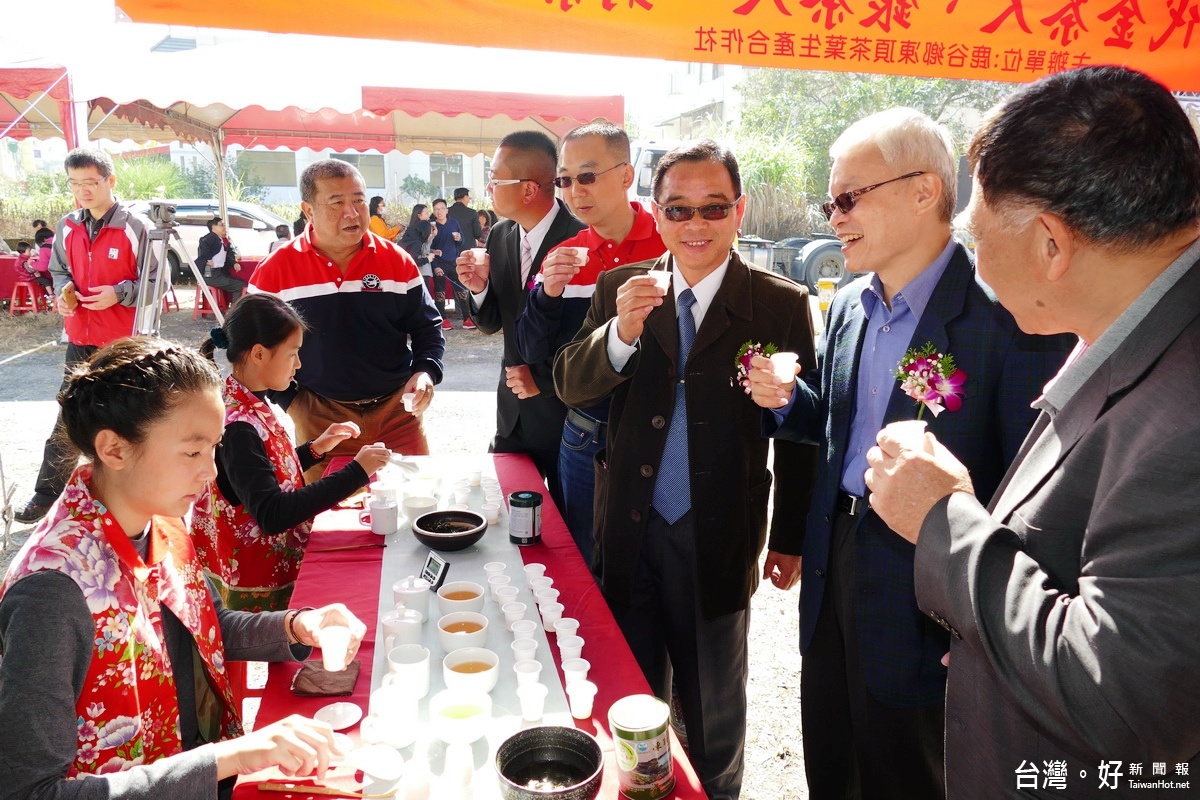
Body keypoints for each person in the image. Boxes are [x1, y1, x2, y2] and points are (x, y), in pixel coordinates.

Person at [862, 66, 1200, 798]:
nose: (972, 262)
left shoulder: (1184, 412)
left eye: (976, 236)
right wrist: (997, 638)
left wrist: (943, 519)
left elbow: (1124, 694)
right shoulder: (1132, 329)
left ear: (1051, 243)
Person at [747, 108, 1073, 800]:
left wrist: (987, 627)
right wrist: (788, 399)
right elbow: (838, 432)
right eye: (830, 201)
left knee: (909, 769)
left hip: (933, 581)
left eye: (850, 197)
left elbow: (1039, 491)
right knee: (831, 752)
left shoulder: (1008, 313)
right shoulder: (848, 304)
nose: (834, 216)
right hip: (838, 554)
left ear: (926, 190)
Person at [553, 140, 816, 799]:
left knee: (713, 708)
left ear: (738, 211)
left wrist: (789, 536)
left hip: (718, 532)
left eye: (713, 208)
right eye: (679, 209)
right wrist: (620, 334)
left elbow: (802, 437)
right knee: (633, 693)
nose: (696, 225)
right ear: (658, 212)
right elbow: (571, 386)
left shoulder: (779, 304)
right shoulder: (623, 288)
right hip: (631, 530)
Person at [0, 336, 364, 799]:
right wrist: (231, 757)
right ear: (113, 449)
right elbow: (30, 790)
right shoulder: (52, 591)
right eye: (193, 452)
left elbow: (204, 626)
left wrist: (297, 625)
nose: (211, 472)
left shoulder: (161, 521)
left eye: (214, 448)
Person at [515, 121, 666, 563]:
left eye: (587, 175)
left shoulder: (673, 240)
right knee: (587, 560)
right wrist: (547, 294)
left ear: (626, 174)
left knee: (658, 560)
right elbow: (529, 347)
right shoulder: (565, 255)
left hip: (664, 427)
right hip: (587, 432)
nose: (574, 190)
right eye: (564, 180)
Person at [191, 293, 392, 612]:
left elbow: (257, 477)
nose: (298, 364)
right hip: (254, 574)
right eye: (293, 354)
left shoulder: (246, 402)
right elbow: (272, 513)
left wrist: (314, 449)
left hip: (267, 561)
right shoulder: (238, 425)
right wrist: (356, 472)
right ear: (259, 354)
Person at [248, 159, 444, 481]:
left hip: (398, 412)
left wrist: (425, 371)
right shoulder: (274, 272)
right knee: (329, 519)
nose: (352, 213)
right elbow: (253, 349)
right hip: (321, 417)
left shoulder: (397, 262)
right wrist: (292, 402)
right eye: (337, 203)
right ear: (308, 210)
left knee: (415, 501)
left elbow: (427, 327)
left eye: (359, 200)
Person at [15, 147, 158, 525]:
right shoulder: (67, 225)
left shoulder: (136, 227)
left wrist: (120, 292)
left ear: (110, 181)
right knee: (69, 416)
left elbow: (155, 283)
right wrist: (63, 295)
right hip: (80, 336)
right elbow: (59, 271)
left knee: (129, 419)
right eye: (75, 184)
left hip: (123, 340)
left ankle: (130, 499)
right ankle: (48, 495)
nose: (83, 191)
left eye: (90, 183)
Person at [457, 130, 586, 502]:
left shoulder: (580, 241)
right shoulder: (500, 235)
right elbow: (493, 322)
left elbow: (587, 338)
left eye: (495, 179)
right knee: (504, 508)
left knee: (568, 521)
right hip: (511, 411)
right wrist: (479, 288)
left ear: (529, 189)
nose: (488, 188)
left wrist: (543, 383)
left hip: (563, 413)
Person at [401, 204, 444, 318]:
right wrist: (427, 258)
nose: (429, 214)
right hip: (419, 269)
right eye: (426, 212)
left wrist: (432, 250)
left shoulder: (412, 233)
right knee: (421, 297)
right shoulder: (416, 238)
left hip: (413, 269)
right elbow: (415, 257)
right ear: (419, 215)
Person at [430, 198, 467, 330]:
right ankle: (443, 319)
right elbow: (427, 248)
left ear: (446, 210)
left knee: (462, 290)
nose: (439, 212)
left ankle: (467, 318)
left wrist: (459, 239)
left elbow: (462, 241)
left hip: (454, 262)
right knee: (440, 292)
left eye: (441, 209)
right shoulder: (432, 226)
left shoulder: (454, 222)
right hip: (439, 263)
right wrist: (435, 266)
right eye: (436, 209)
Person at [197, 217, 247, 297]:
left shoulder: (220, 240)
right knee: (240, 285)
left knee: (239, 282)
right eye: (221, 225)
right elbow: (203, 242)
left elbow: (226, 257)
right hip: (210, 274)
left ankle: (233, 307)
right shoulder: (212, 236)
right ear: (213, 227)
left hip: (217, 273)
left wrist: (234, 263)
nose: (224, 227)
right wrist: (209, 259)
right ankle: (235, 308)